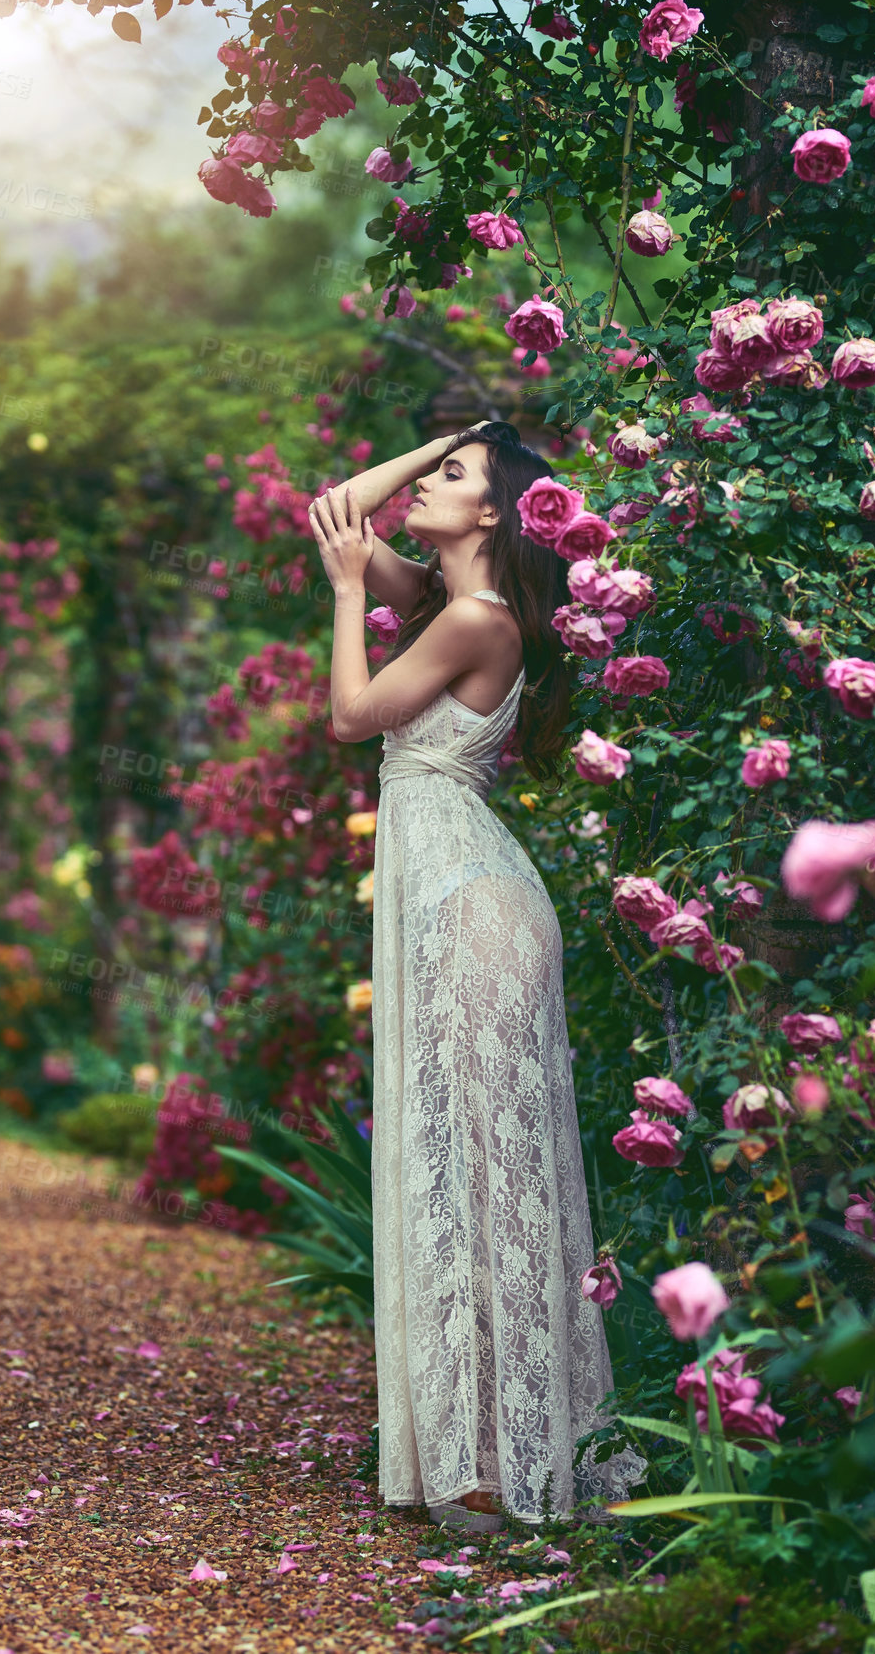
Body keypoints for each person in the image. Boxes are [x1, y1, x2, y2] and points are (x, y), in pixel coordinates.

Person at [308, 421, 644, 1532]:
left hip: (471, 906)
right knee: (463, 1169)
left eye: (453, 479)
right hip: (457, 896)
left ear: (495, 514)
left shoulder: (468, 618)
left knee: (489, 1178)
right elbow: (337, 507)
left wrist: (354, 595)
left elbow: (353, 718)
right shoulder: (447, 599)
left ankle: (505, 1464)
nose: (426, 488)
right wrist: (445, 445)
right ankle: (483, 1453)